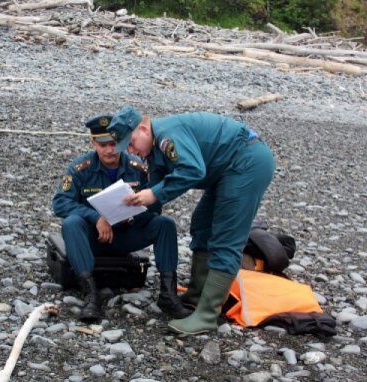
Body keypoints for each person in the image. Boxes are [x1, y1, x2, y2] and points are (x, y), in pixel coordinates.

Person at [106, 106, 275, 335]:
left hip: (246, 164)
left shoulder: (167, 135)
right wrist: (122, 217)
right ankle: (197, 293)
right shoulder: (154, 150)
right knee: (201, 225)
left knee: (226, 239)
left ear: (144, 129)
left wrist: (154, 194)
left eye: (132, 143)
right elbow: (152, 200)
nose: (131, 151)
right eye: (126, 147)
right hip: (224, 170)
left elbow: (193, 170)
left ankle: (207, 315)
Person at [52, 114, 191, 322]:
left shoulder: (139, 168)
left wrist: (133, 214)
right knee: (71, 223)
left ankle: (168, 294)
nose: (110, 150)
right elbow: (60, 203)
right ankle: (91, 295)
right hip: (94, 239)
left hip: (127, 234)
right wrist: (96, 218)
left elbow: (156, 205)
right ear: (93, 143)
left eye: (115, 144)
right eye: (103, 144)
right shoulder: (80, 168)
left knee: (165, 224)